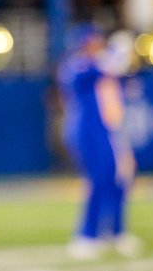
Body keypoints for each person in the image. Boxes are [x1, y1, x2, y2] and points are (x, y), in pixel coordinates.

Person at [57, 24, 141, 259]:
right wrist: (115, 55)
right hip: (88, 130)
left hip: (112, 130)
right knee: (98, 179)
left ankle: (115, 231)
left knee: (120, 179)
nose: (96, 44)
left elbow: (128, 83)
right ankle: (86, 235)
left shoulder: (105, 64)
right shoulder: (77, 64)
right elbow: (85, 75)